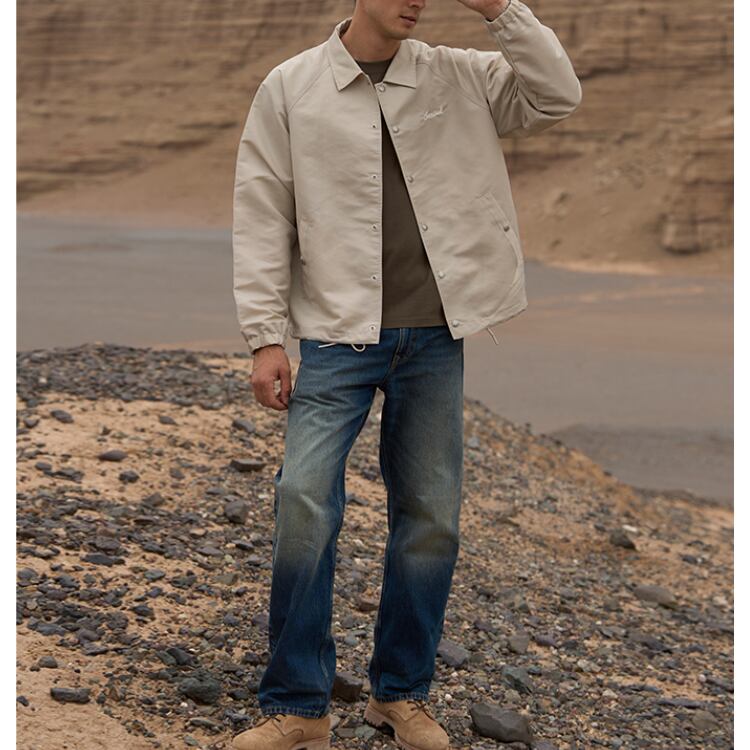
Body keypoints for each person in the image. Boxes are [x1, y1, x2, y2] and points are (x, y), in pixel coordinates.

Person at [230, 0, 581, 747]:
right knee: (302, 501)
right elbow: (262, 212)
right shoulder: (291, 87)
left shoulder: (463, 74)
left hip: (434, 338)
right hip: (336, 336)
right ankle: (298, 705)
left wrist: (500, 10)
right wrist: (265, 338)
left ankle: (399, 695)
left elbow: (557, 94)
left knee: (430, 518)